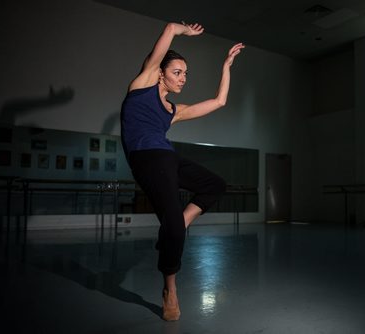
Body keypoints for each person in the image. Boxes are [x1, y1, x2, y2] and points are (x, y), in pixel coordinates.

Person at [120, 22, 244, 321]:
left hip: (168, 157)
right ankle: (169, 289)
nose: (183, 78)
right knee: (173, 223)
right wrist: (179, 29)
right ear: (159, 72)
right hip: (147, 160)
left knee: (215, 184)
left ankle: (176, 226)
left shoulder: (173, 111)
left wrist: (226, 66)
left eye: (186, 73)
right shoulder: (141, 87)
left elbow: (219, 101)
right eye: (178, 72)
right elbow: (168, 31)